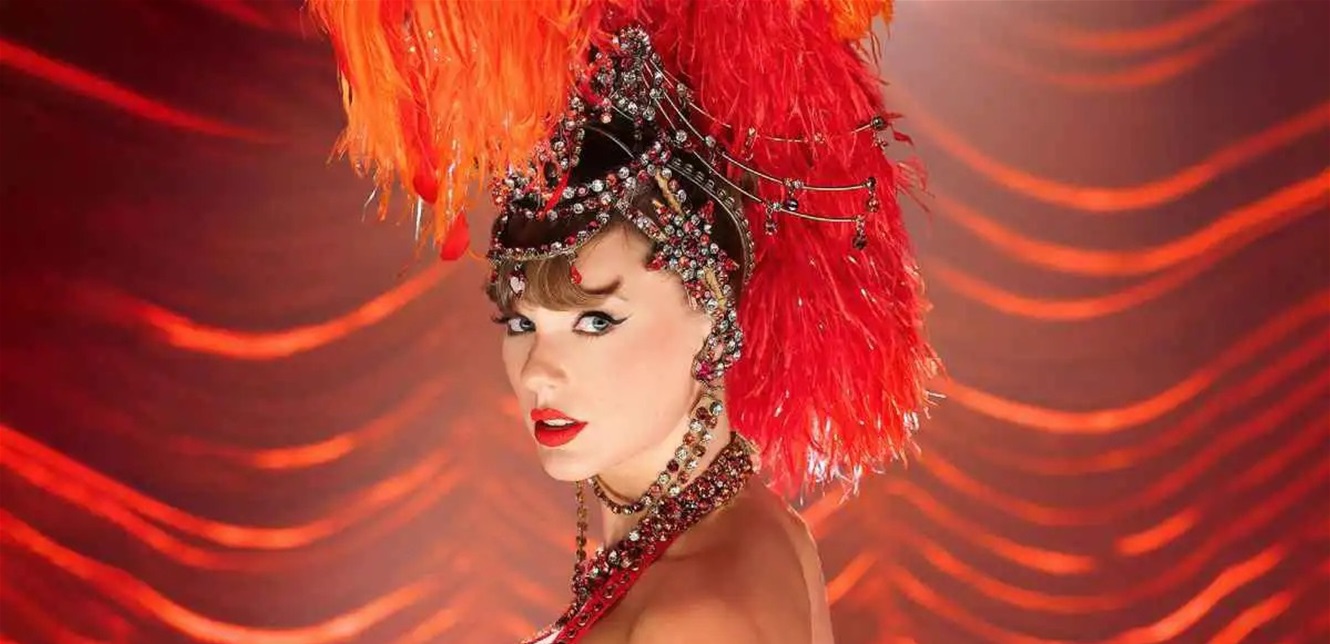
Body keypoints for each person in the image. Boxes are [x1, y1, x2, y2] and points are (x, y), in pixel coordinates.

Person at [309, 1, 939, 642]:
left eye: (595, 321)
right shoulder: (745, 532)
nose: (539, 374)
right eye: (522, 324)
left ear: (710, 307)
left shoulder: (691, 619)